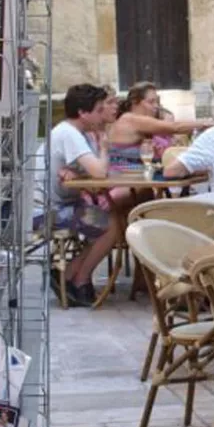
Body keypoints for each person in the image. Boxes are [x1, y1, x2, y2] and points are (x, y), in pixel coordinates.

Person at [50, 84, 130, 307]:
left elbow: (94, 173)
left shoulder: (74, 132)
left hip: (64, 203)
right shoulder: (69, 133)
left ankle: (69, 275)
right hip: (48, 211)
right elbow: (100, 172)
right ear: (83, 113)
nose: (101, 113)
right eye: (98, 109)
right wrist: (104, 148)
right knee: (110, 224)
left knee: (113, 218)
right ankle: (77, 279)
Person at [106, 83, 212, 160]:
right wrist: (206, 123)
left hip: (139, 181)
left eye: (157, 101)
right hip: (123, 181)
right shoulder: (130, 119)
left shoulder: (137, 121)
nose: (156, 106)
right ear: (135, 102)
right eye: (151, 102)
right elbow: (175, 127)